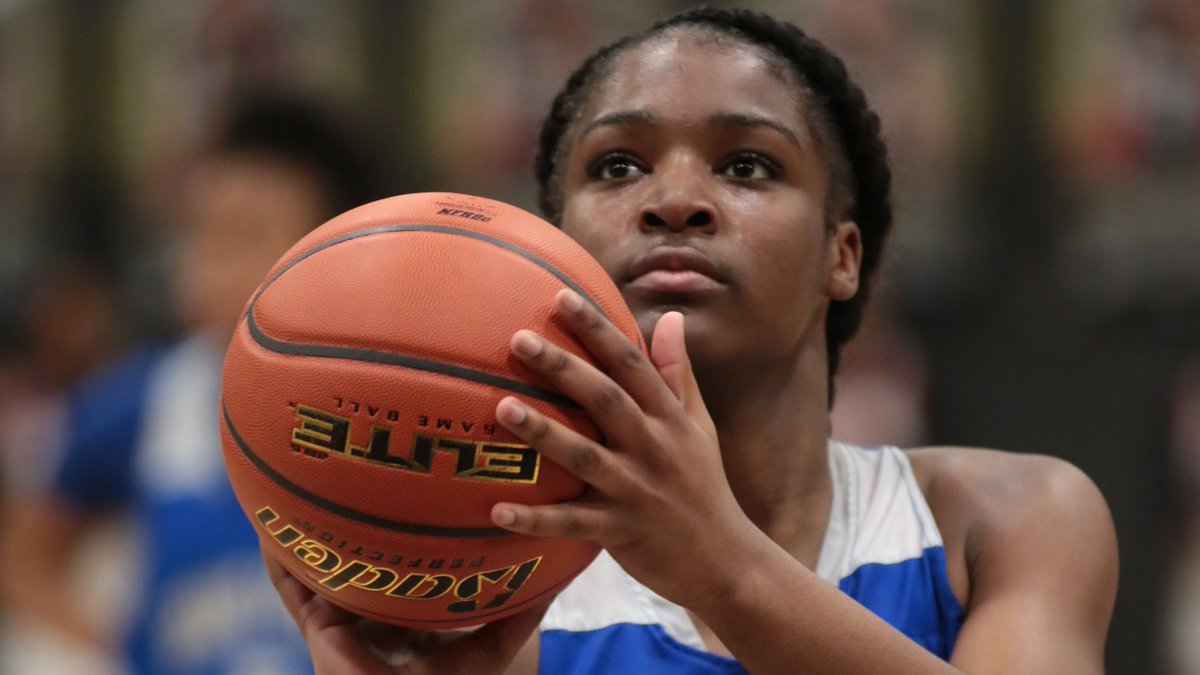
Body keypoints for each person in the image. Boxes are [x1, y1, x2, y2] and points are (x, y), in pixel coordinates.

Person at [264, 7, 1118, 674]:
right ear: (552, 244)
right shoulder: (493, 616)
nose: (674, 199)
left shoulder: (1006, 519)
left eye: (746, 165)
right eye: (616, 166)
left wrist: (721, 566)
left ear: (842, 254)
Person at [0, 92, 381, 675]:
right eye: (199, 233)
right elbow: (24, 558)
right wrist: (107, 645)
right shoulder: (138, 402)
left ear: (337, 252)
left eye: (242, 234)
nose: (207, 263)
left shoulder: (396, 408)